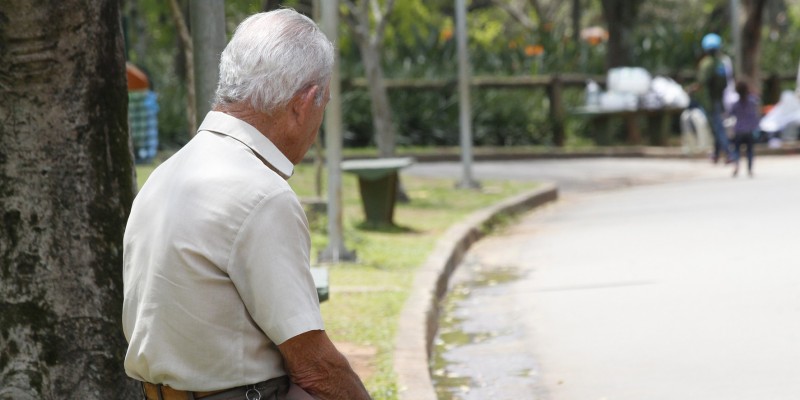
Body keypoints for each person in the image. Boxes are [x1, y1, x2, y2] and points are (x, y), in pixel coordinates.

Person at [122, 9, 371, 400]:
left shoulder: (164, 175)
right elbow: (315, 367)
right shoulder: (263, 194)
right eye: (323, 105)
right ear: (304, 104)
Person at [694, 33, 734, 164]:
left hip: (709, 101)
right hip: (719, 99)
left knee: (717, 127)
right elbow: (725, 83)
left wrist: (692, 89)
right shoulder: (720, 63)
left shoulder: (706, 64)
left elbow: (702, 82)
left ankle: (728, 153)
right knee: (717, 125)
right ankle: (716, 155)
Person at [730, 80, 760, 177]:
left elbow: (731, 113)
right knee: (750, 150)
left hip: (738, 130)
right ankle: (750, 169)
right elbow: (757, 100)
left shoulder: (736, 104)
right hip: (750, 130)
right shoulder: (752, 101)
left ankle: (736, 165)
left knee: (736, 150)